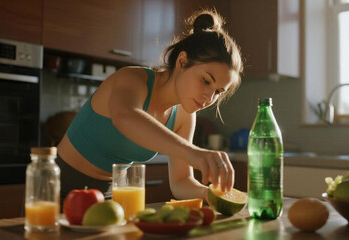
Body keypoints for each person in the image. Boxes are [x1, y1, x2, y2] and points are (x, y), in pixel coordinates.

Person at [56, 9, 243, 204]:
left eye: (218, 92)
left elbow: (181, 182)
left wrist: (214, 195)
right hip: (60, 191)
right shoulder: (132, 79)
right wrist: (193, 153)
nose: (209, 97)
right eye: (205, 80)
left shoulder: (185, 115)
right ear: (182, 61)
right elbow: (126, 117)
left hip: (111, 197)